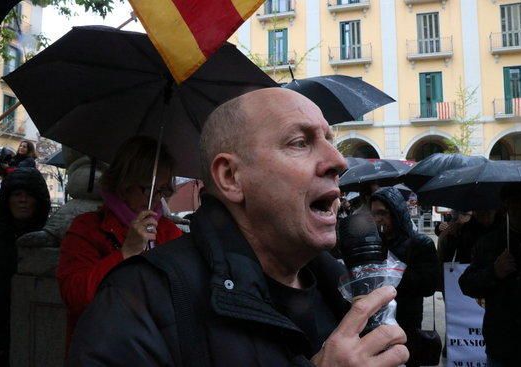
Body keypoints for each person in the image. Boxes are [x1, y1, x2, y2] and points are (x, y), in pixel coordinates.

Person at [67, 88, 409, 366]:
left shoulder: (338, 288)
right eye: (300, 143)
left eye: (329, 140)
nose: (339, 161)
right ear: (231, 177)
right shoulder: (141, 300)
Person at [56, 136, 183, 345]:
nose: (155, 199)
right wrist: (126, 253)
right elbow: (75, 298)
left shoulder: (169, 233)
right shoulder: (87, 228)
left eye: (161, 190)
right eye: (147, 188)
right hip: (101, 349)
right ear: (124, 184)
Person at [0, 168, 50, 366]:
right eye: (17, 194)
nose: (23, 200)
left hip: (30, 329)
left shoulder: (47, 239)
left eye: (29, 195)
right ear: (7, 199)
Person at [459, 184, 521, 366]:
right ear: (506, 206)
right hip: (502, 344)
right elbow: (467, 284)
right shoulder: (490, 243)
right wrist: (494, 272)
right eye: (517, 203)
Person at [370, 187, 440, 367]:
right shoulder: (375, 243)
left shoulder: (420, 243)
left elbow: (429, 285)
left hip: (407, 323)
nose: (378, 219)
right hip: (376, 323)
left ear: (396, 212)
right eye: (374, 214)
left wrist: (395, 273)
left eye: (382, 213)